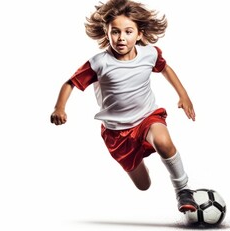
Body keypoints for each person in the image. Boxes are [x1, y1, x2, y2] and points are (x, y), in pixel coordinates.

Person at [50, 0, 198, 213]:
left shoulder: (150, 54)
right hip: (117, 133)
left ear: (139, 34)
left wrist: (184, 95)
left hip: (147, 117)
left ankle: (184, 190)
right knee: (143, 185)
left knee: (163, 141)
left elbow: (166, 69)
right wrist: (60, 108)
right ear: (107, 33)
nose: (121, 38)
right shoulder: (99, 63)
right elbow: (70, 83)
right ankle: (138, 159)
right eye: (115, 32)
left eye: (128, 31)